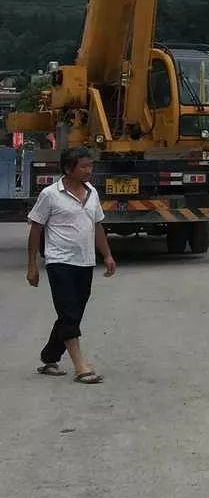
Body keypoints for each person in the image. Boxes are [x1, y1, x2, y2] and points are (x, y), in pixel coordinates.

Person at [26, 145, 116, 383]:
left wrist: (107, 255)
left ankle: (49, 356)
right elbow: (36, 228)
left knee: (73, 313)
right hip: (59, 261)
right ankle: (80, 367)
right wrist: (32, 265)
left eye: (91, 166)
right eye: (84, 167)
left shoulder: (92, 192)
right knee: (68, 311)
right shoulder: (50, 194)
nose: (89, 171)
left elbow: (97, 225)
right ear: (68, 169)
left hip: (85, 261)